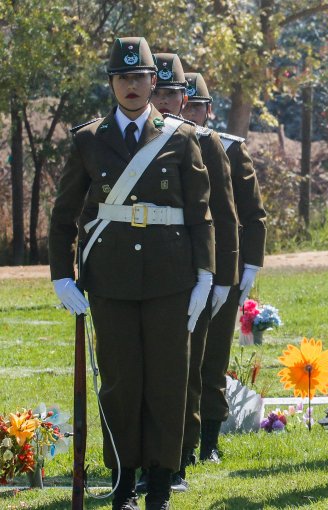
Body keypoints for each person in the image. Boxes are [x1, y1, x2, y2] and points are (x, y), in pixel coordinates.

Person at [49, 36, 214, 510]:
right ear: (112, 85)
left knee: (167, 381)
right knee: (121, 383)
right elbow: (64, 218)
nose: (132, 86)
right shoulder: (88, 139)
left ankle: (160, 484)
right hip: (111, 280)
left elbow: (200, 213)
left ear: (153, 81)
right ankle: (124, 480)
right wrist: (62, 274)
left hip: (170, 279)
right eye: (123, 78)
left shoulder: (180, 137)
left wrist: (205, 274)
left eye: (139, 77)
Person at [146, 54, 239, 492]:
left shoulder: (202, 141)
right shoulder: (127, 139)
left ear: (186, 98)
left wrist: (222, 279)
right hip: (145, 271)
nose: (163, 102)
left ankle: (177, 459)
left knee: (184, 370)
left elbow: (224, 216)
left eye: (171, 94)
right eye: (157, 91)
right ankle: (143, 458)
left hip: (192, 276)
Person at [179, 71, 269, 462]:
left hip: (221, 271)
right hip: (178, 265)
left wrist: (247, 267)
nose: (192, 112)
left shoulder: (229, 149)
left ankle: (210, 439)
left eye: (198, 105)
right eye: (187, 104)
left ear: (208, 110)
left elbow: (251, 215)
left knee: (212, 359)